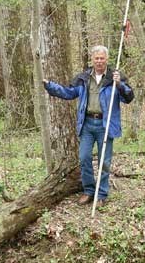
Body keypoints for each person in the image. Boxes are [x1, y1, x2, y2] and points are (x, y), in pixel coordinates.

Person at [43, 45, 134, 207]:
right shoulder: (83, 78)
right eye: (96, 58)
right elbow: (68, 93)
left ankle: (102, 193)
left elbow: (128, 97)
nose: (99, 61)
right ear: (92, 59)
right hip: (87, 125)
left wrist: (119, 84)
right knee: (84, 158)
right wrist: (50, 86)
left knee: (104, 162)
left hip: (105, 126)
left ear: (107, 59)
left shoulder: (115, 77)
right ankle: (89, 190)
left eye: (102, 58)